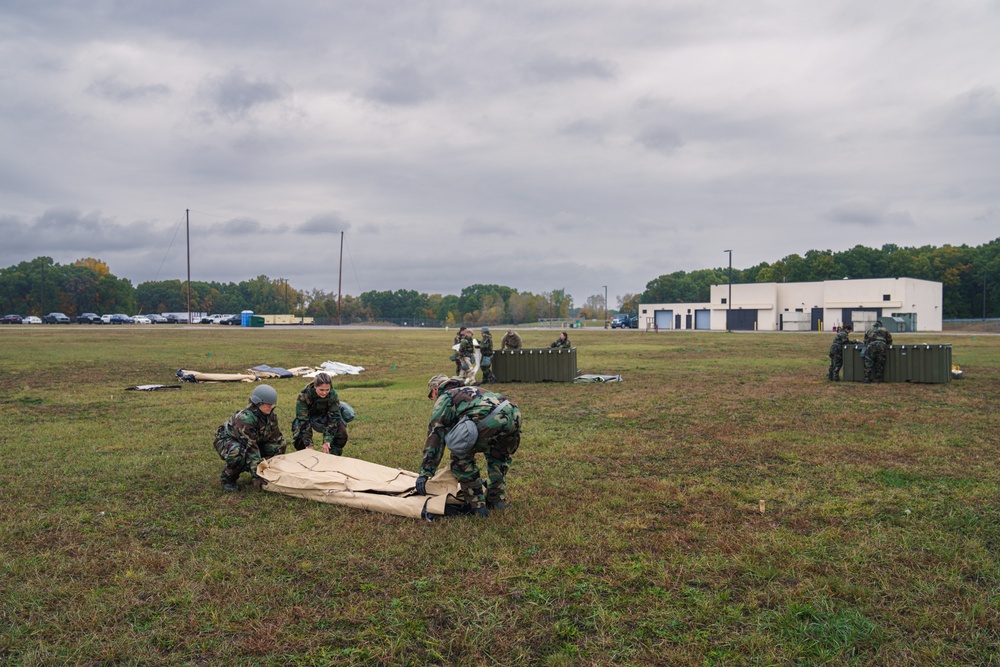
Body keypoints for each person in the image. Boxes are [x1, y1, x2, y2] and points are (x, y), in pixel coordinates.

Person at [414, 374, 522, 516]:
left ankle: (478, 508)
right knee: (498, 459)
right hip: (514, 417)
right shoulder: (471, 389)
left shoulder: (445, 397)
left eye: (431, 396)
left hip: (491, 421)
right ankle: (497, 502)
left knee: (460, 460)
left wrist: (426, 472)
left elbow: (435, 435)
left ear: (435, 390)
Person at [213, 384, 285, 492]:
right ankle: (228, 479)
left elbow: (274, 438)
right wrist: (256, 476)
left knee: (279, 445)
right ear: (258, 403)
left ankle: (268, 472)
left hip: (253, 441)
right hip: (229, 440)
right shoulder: (244, 419)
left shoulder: (271, 416)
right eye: (268, 404)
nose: (271, 407)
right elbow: (250, 448)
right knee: (238, 453)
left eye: (273, 404)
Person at [291, 372, 349, 455]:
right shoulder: (304, 395)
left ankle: (332, 455)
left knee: (341, 433)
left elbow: (333, 418)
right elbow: (303, 420)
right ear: (315, 386)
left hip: (325, 415)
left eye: (327, 390)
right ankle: (305, 456)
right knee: (299, 436)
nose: (324, 393)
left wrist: (327, 441)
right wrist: (308, 444)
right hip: (309, 416)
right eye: (321, 390)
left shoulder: (333, 395)